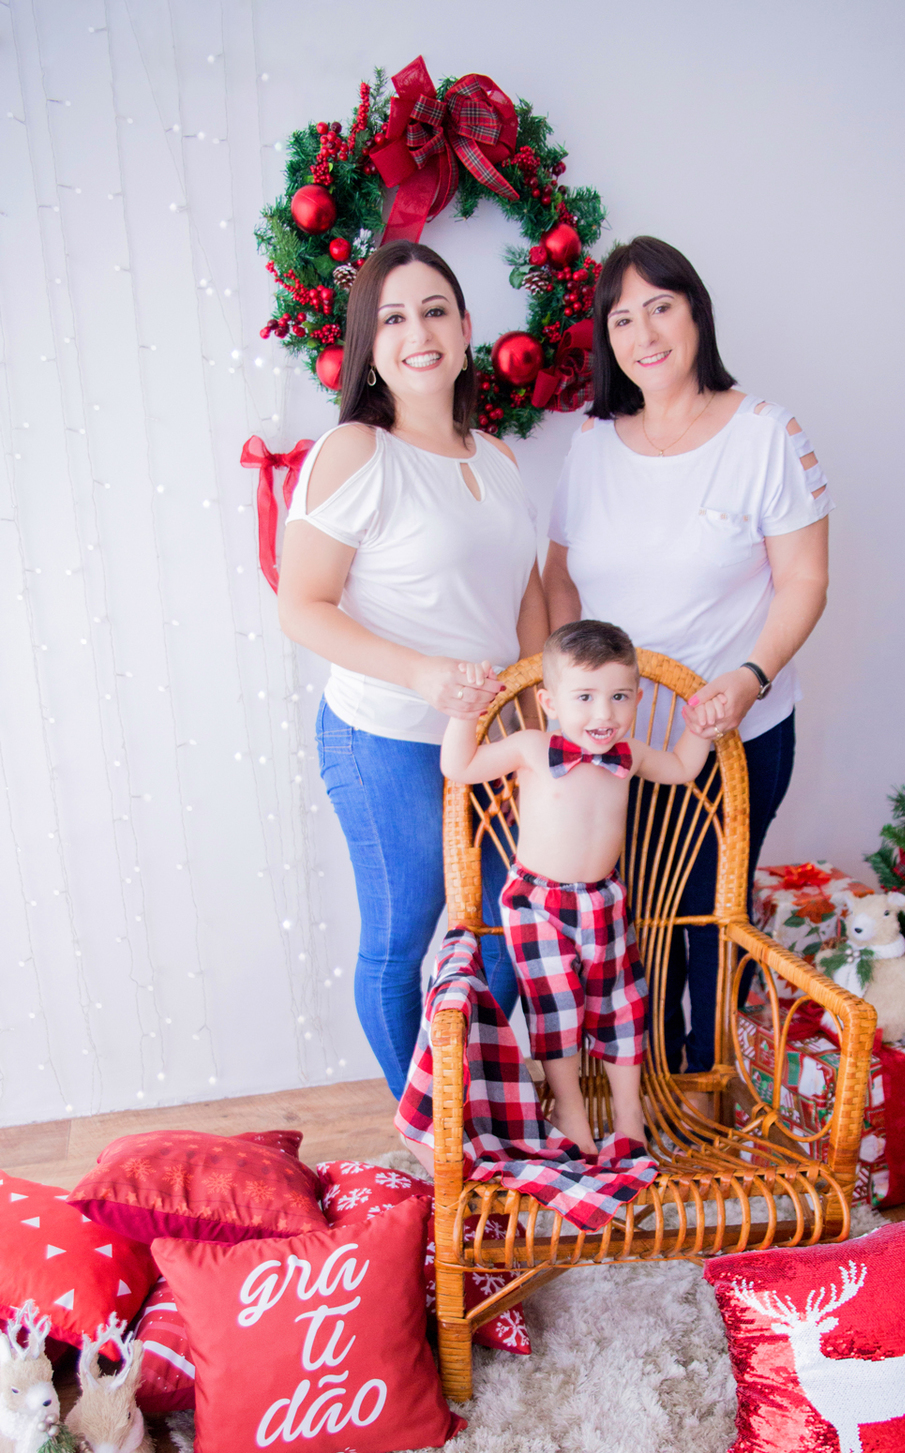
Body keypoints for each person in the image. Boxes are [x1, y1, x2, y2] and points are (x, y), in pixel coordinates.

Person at [543, 235, 830, 1074]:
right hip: (611, 741)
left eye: (660, 307)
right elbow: (558, 578)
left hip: (729, 733)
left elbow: (805, 581)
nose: (644, 334)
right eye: (622, 318)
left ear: (696, 313)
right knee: (628, 925)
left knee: (709, 920)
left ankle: (702, 1095)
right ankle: (643, 1099)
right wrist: (565, 694)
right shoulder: (594, 444)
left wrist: (748, 677)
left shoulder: (766, 433)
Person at [277, 240, 547, 1098]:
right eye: (393, 318)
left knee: (509, 930)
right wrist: (424, 674)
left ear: (466, 329)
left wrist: (537, 713)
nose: (418, 332)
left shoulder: (498, 458)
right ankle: (430, 1138)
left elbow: (527, 599)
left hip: (498, 744)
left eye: (434, 310)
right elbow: (302, 606)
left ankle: (477, 1105)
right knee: (403, 938)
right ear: (371, 344)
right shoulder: (357, 451)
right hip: (386, 737)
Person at [439, 620, 727, 1153]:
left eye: (619, 697)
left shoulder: (631, 754)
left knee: (622, 1004)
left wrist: (701, 727)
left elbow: (685, 767)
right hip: (537, 903)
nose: (604, 714)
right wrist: (463, 716)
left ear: (637, 698)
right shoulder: (530, 747)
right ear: (550, 701)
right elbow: (459, 766)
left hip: (604, 900)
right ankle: (570, 1108)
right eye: (586, 697)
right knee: (556, 1011)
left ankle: (627, 1113)